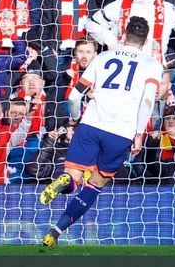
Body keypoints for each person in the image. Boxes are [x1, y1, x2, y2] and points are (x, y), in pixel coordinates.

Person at [39, 16, 163, 248]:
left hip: (91, 125)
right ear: (146, 41)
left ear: (123, 35)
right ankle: (55, 233)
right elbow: (147, 101)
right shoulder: (152, 65)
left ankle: (65, 180)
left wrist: (76, 119)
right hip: (121, 133)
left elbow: (74, 96)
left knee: (74, 179)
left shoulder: (102, 57)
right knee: (94, 185)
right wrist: (138, 133)